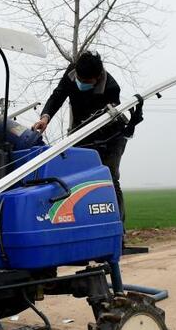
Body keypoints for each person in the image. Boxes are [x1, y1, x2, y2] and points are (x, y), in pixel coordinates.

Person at [32, 51, 128, 222]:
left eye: (85, 82)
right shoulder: (72, 73)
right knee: (77, 177)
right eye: (79, 78)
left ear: (97, 77)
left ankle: (118, 227)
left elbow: (107, 122)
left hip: (111, 136)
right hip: (81, 130)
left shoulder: (111, 88)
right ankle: (83, 220)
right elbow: (58, 95)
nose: (80, 83)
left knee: (110, 176)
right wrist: (45, 117)